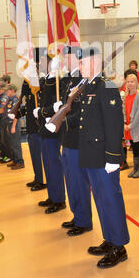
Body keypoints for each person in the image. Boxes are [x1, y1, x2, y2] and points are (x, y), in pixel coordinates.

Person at [78, 47, 130, 269]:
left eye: (82, 62)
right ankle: (109, 239)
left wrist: (113, 157)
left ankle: (119, 247)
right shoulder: (89, 86)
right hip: (91, 155)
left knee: (111, 199)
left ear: (95, 63)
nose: (78, 66)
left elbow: (114, 124)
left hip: (104, 156)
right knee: (100, 200)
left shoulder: (106, 87)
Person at [46, 45, 93, 236]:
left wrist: (62, 119)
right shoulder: (69, 80)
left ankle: (84, 220)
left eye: (68, 56)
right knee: (71, 181)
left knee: (79, 181)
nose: (64, 59)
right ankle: (77, 215)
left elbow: (82, 111)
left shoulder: (84, 80)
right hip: (67, 138)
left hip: (78, 139)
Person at [34, 55, 66, 214]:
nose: (39, 65)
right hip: (44, 127)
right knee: (47, 163)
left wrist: (43, 112)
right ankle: (52, 196)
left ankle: (59, 199)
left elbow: (57, 106)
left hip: (53, 127)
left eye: (42, 62)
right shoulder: (44, 80)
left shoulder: (57, 81)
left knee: (54, 163)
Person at [20, 78, 46, 191]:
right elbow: (27, 108)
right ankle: (38, 178)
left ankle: (42, 180)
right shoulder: (30, 95)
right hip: (31, 129)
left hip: (37, 128)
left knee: (38, 156)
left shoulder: (37, 92)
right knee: (34, 156)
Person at [124, 74, 139, 178]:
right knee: (134, 148)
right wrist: (125, 123)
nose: (130, 84)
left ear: (136, 83)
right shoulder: (126, 96)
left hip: (136, 127)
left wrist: (131, 125)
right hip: (128, 126)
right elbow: (124, 110)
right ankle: (136, 168)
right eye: (128, 82)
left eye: (132, 82)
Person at [4, 84, 24, 170]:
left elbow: (16, 115)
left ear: (12, 90)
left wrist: (13, 126)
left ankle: (20, 162)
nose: (6, 92)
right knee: (11, 143)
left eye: (8, 90)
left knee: (16, 144)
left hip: (14, 124)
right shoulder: (10, 99)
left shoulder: (16, 100)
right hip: (9, 123)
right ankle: (15, 160)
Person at [0, 82, 10, 163]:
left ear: (4, 89)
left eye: (0, 89)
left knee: (4, 139)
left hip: (4, 119)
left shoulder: (4, 97)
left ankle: (7, 156)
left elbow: (1, 110)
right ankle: (2, 154)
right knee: (0, 139)